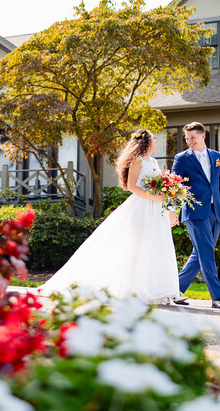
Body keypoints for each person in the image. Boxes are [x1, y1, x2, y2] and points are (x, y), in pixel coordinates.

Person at [39, 129, 187, 305]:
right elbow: (131, 186)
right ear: (146, 142)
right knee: (140, 248)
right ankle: (137, 290)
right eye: (154, 139)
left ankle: (164, 291)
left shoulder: (153, 161)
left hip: (156, 210)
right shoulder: (136, 160)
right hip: (141, 207)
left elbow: (160, 187)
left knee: (159, 247)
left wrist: (168, 204)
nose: (156, 141)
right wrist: (153, 196)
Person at [170, 122, 220, 310]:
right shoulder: (181, 158)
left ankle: (173, 290)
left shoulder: (216, 156)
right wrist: (172, 209)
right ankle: (218, 297)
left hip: (215, 211)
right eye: (187, 138)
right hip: (194, 211)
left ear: (203, 136)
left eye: (193, 138)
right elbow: (174, 185)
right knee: (206, 253)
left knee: (200, 254)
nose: (189, 141)